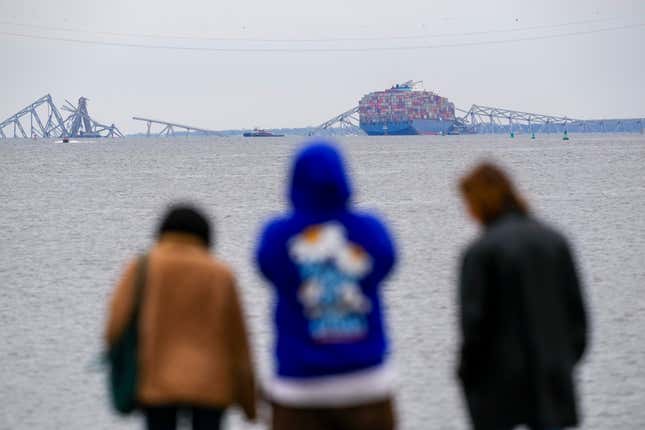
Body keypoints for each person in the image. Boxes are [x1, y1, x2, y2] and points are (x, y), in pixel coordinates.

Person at [256, 141, 397, 430]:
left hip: (298, 391)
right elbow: (386, 262)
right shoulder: (371, 230)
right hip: (367, 385)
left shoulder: (276, 235)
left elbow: (268, 268)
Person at [457, 162, 589, 430]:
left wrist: (466, 375)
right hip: (553, 379)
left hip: (497, 387)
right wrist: (561, 361)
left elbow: (474, 328)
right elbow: (578, 320)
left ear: (478, 202)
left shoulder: (480, 252)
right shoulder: (555, 240)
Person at [105, 204, 256, 430]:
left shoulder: (142, 267)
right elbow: (238, 343)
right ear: (206, 237)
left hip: (157, 384)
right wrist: (248, 402)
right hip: (210, 386)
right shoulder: (221, 274)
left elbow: (115, 326)